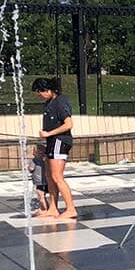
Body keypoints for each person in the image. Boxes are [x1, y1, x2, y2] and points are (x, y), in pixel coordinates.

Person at [33, 78, 78, 219]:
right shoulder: (49, 103)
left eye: (39, 92)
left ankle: (71, 209)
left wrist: (49, 134)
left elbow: (68, 124)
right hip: (52, 142)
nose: (38, 95)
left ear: (48, 90)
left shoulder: (60, 101)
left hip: (60, 141)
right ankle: (53, 208)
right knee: (50, 177)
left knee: (57, 176)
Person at [27, 146, 49, 214]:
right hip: (46, 181)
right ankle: (45, 208)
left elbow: (31, 169)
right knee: (43, 196)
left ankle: (45, 210)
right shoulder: (45, 160)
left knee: (40, 196)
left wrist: (27, 167)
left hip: (39, 182)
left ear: (35, 153)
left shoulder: (34, 160)